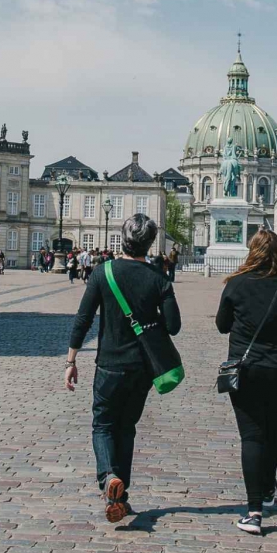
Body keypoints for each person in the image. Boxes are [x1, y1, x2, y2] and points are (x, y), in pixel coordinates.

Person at [64, 214, 180, 524]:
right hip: (142, 368)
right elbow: (174, 326)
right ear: (150, 242)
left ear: (123, 239)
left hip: (109, 366)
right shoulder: (159, 278)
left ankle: (108, 480)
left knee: (103, 425)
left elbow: (83, 319)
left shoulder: (103, 273)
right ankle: (121, 496)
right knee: (126, 428)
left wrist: (71, 360)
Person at [215, 230, 277, 535]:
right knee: (271, 431)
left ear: (251, 252)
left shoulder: (236, 284)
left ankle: (254, 511)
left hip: (245, 370)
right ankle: (267, 488)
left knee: (252, 436)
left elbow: (221, 325)